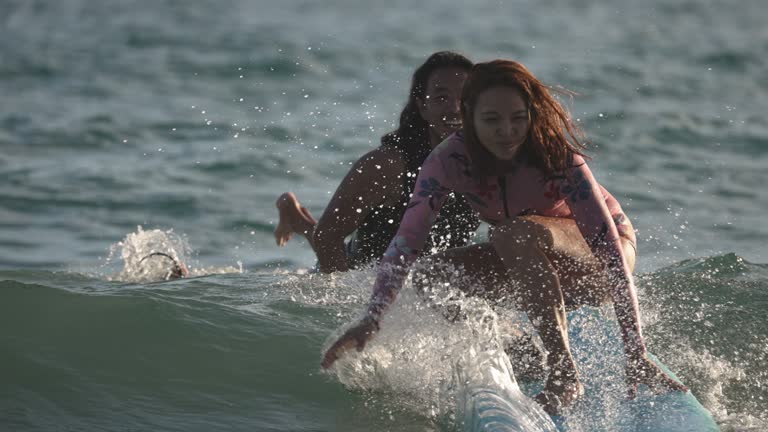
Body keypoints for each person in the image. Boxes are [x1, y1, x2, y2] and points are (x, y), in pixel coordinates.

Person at [321, 60, 688, 414]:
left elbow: (610, 251)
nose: (507, 131)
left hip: (596, 260)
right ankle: (514, 357)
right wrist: (372, 318)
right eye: (491, 120)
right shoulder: (448, 161)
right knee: (433, 275)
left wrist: (635, 352)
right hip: (533, 259)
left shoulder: (558, 158)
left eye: (517, 118)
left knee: (512, 234)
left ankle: (564, 375)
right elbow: (406, 243)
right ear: (469, 117)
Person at [274, 51, 480, 273]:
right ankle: (300, 221)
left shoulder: (489, 165)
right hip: (361, 278)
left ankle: (299, 220)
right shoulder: (389, 165)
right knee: (333, 240)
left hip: (422, 285)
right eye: (441, 98)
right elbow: (328, 236)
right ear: (422, 107)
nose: (454, 108)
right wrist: (345, 299)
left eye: (464, 99)